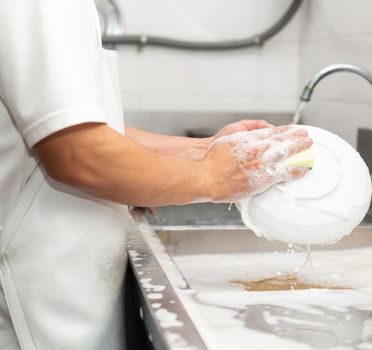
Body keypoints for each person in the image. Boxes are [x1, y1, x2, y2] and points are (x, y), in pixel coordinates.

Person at [0, 1, 312, 349]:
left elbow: (80, 125)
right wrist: (215, 175)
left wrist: (203, 150)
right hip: (35, 304)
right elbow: (76, 152)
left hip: (64, 282)